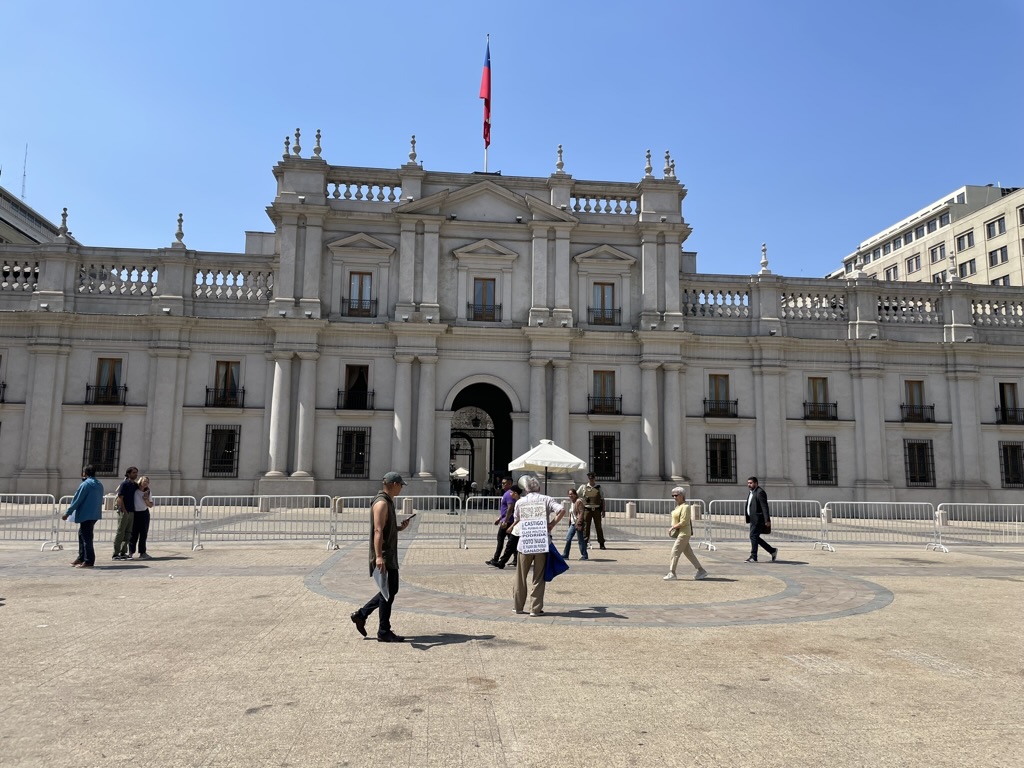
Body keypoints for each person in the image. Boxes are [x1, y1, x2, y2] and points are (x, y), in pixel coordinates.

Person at [350, 472, 415, 642]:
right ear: (393, 484)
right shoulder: (381, 503)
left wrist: (400, 527)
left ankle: (362, 615)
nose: (401, 488)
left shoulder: (388, 502)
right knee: (388, 592)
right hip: (385, 554)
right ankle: (383, 630)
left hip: (389, 553)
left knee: (389, 590)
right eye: (400, 485)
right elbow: (378, 530)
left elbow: (386, 528)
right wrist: (379, 557)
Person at [511, 475, 566, 617]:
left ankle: (518, 606)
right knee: (538, 577)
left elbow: (517, 518)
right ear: (539, 488)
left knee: (520, 576)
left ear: (525, 489)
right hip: (541, 542)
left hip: (525, 542)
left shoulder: (520, 502)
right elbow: (561, 510)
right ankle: (535, 609)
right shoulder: (546, 499)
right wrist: (552, 524)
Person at [63, 466, 104, 568]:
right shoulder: (99, 484)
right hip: (94, 514)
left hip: (86, 514)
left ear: (85, 473)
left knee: (86, 538)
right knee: (82, 535)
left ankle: (88, 560)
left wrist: (68, 512)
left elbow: (77, 499)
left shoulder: (85, 485)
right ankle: (81, 557)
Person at [664, 487, 707, 580]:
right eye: (673, 495)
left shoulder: (686, 507)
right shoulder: (678, 507)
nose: (674, 497)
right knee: (689, 553)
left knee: (675, 552)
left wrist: (672, 527)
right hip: (680, 533)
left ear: (682, 496)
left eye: (676, 495)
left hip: (684, 533)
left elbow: (684, 521)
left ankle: (672, 573)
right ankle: (701, 570)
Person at [744, 476, 778, 563]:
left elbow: (764, 507)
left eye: (751, 483)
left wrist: (767, 520)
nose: (749, 485)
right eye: (748, 483)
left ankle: (754, 556)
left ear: (756, 483)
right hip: (753, 519)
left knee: (753, 536)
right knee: (754, 537)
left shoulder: (760, 492)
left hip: (758, 519)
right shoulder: (752, 492)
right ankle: (772, 550)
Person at [486, 477, 515, 567]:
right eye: (502, 483)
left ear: (510, 484)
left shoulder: (509, 494)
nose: (502, 485)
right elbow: (506, 509)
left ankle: (496, 558)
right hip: (506, 520)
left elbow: (510, 508)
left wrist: (505, 521)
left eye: (504, 483)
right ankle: (515, 558)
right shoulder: (507, 494)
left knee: (501, 540)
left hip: (508, 522)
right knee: (512, 541)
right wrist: (500, 518)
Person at [112, 466, 138, 560]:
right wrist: (123, 509)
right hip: (124, 511)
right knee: (120, 532)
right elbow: (120, 498)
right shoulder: (124, 484)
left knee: (128, 532)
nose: (135, 474)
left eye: (136, 472)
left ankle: (123, 552)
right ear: (128, 474)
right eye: (134, 472)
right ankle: (115, 553)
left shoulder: (134, 485)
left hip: (131, 510)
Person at [492, 487, 521, 568]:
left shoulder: (519, 502)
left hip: (517, 527)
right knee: (510, 545)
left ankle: (501, 561)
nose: (510, 493)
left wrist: (509, 525)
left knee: (511, 544)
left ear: (515, 493)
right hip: (515, 526)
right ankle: (502, 562)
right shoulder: (517, 502)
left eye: (511, 492)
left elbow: (519, 517)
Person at [128, 475, 154, 559]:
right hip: (135, 513)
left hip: (144, 513)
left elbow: (150, 505)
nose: (145, 483)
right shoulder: (135, 490)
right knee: (133, 534)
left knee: (143, 534)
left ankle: (142, 552)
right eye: (144, 481)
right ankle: (130, 552)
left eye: (147, 481)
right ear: (140, 481)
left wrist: (145, 499)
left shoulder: (148, 492)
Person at [579, 472, 607, 549]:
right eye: (590, 478)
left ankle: (601, 543)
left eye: (593, 478)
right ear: (588, 478)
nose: (591, 479)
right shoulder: (584, 487)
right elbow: (577, 496)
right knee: (586, 527)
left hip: (597, 510)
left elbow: (602, 499)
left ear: (595, 478)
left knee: (598, 527)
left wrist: (604, 510)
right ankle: (585, 542)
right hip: (587, 510)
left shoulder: (598, 488)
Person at [562, 487, 588, 561]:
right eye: (569, 494)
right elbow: (572, 513)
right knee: (568, 538)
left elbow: (581, 512)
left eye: (572, 494)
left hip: (577, 523)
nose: (570, 496)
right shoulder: (572, 502)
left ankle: (584, 555)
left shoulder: (578, 502)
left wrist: (579, 523)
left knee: (580, 540)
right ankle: (565, 554)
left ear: (575, 494)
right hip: (573, 524)